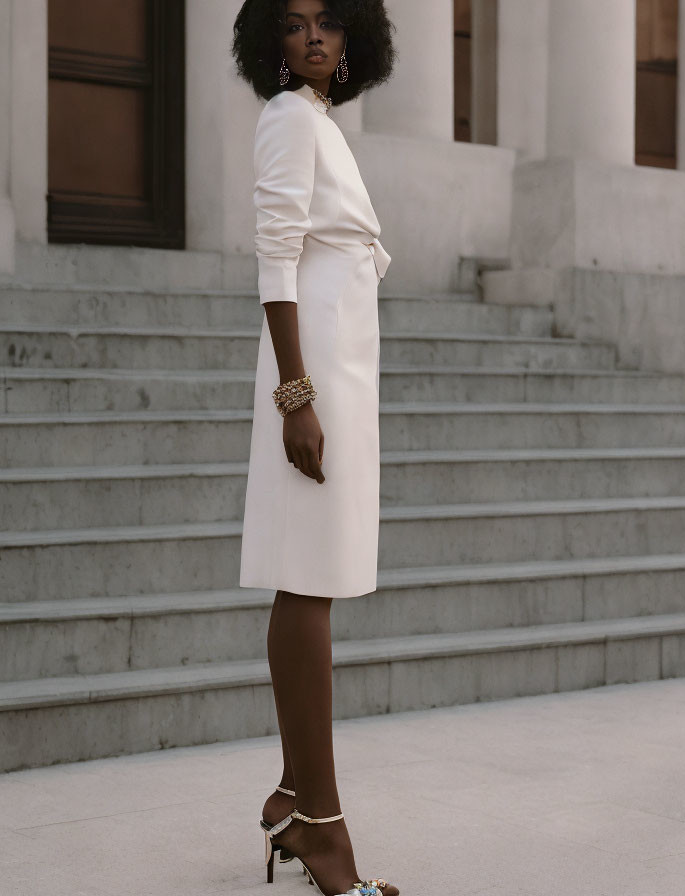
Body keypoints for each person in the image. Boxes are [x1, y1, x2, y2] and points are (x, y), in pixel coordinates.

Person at [232, 1, 399, 894]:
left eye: (330, 22)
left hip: (342, 369)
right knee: (309, 581)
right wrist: (297, 395)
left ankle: (292, 797)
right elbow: (275, 254)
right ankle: (322, 831)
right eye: (294, 25)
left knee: (317, 572)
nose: (315, 37)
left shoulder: (319, 121)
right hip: (316, 377)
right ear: (271, 43)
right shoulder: (288, 118)